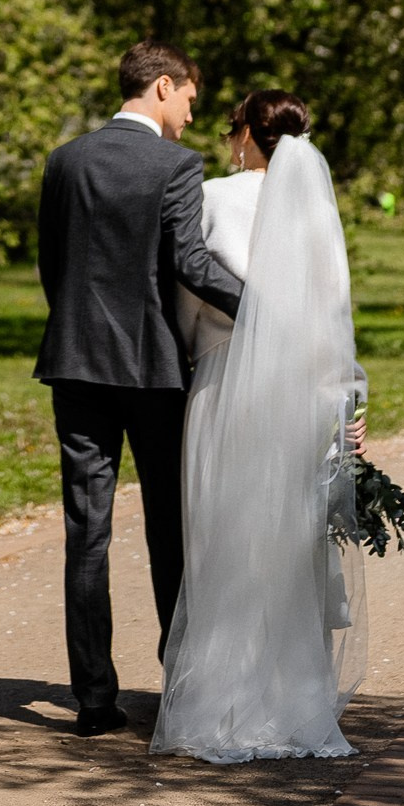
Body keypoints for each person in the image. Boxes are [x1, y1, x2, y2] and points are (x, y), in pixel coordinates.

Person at [34, 41, 245, 736]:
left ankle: (93, 700)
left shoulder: (64, 161)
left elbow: (51, 265)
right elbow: (188, 262)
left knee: (85, 533)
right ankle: (178, 685)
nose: (189, 116)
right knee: (167, 530)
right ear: (163, 85)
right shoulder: (174, 165)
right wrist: (262, 305)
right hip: (152, 371)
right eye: (188, 100)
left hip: (73, 365)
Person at [153, 87, 367, 762]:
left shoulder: (214, 196)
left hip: (222, 382)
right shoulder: (315, 213)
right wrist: (344, 404)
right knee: (291, 542)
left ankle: (219, 697)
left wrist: (200, 348)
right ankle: (293, 695)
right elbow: (331, 319)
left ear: (244, 133)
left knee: (222, 534)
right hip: (303, 392)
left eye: (228, 128)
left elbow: (189, 291)